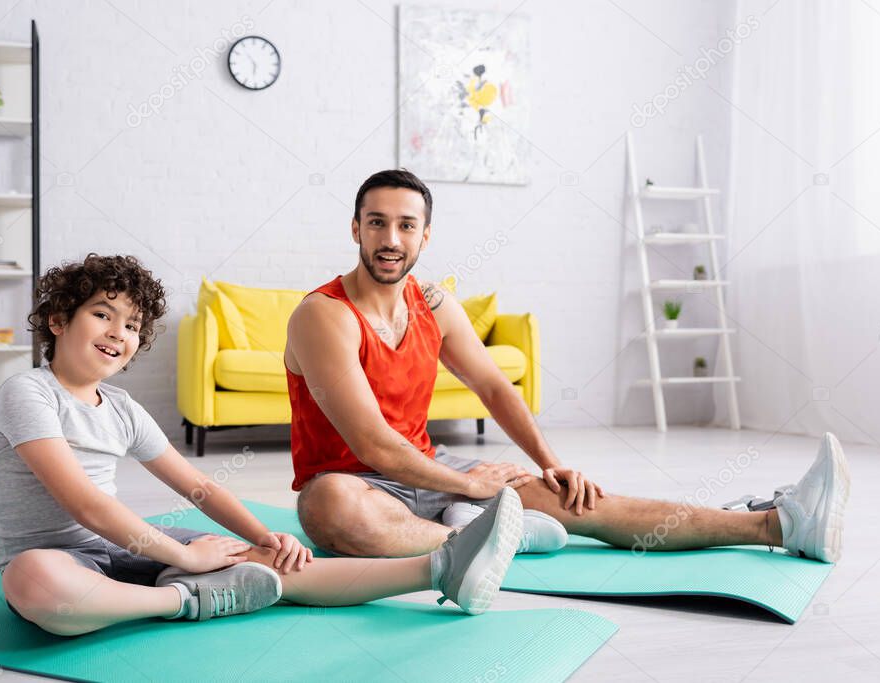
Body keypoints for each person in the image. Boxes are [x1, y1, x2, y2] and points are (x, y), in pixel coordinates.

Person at [284, 169, 850, 564]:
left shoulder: (433, 304)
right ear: (355, 229)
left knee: (587, 503)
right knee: (328, 506)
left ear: (425, 235)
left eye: (406, 225)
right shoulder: (323, 316)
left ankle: (778, 524)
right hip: (357, 485)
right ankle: (483, 530)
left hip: (434, 473)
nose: (390, 239)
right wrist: (467, 484)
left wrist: (553, 466)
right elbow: (376, 449)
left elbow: (492, 387)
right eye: (377, 223)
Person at [0, 253, 523, 636]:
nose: (117, 332)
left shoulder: (122, 408)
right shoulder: (27, 393)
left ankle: (440, 567)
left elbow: (197, 485)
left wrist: (268, 537)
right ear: (58, 321)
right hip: (57, 556)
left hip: (127, 548)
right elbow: (85, 504)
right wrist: (183, 560)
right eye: (103, 314)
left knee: (275, 562)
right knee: (35, 583)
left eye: (131, 325)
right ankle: (183, 600)